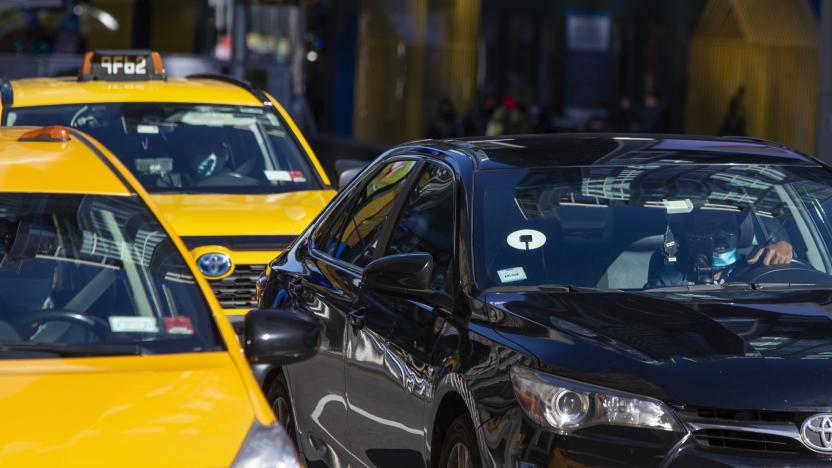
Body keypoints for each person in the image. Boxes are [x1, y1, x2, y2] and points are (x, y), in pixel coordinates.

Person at [645, 208, 793, 288]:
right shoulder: (671, 278)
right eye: (709, 227)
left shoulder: (759, 268)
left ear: (740, 232)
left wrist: (784, 252)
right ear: (690, 234)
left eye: (726, 226)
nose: (720, 234)